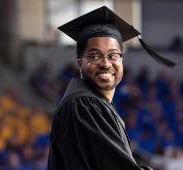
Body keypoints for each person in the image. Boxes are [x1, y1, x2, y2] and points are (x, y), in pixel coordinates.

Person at [48, 6, 175, 170]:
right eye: (94, 56)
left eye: (113, 55)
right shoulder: (84, 105)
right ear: (80, 63)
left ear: (121, 61)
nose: (106, 63)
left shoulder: (89, 103)